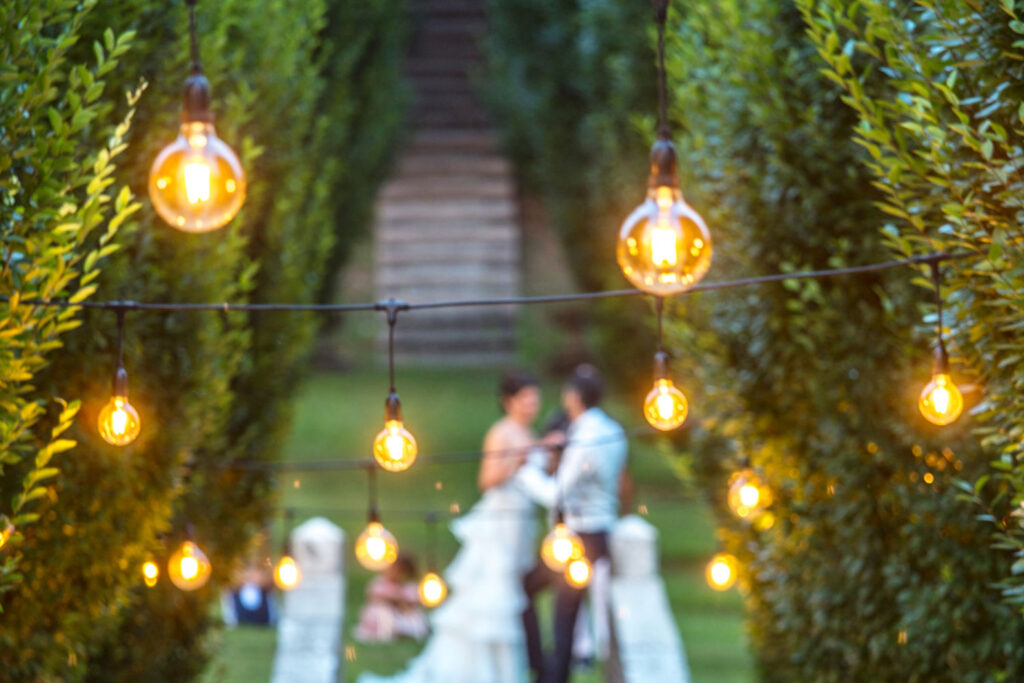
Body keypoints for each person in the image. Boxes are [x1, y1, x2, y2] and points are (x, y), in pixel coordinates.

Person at [357, 371, 553, 683]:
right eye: (526, 397)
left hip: (520, 526)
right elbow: (487, 480)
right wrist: (521, 458)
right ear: (509, 400)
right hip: (498, 526)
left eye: (535, 397)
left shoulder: (528, 434)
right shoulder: (501, 433)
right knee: (492, 596)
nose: (532, 404)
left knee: (512, 597)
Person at [521, 364, 628, 683]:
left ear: (574, 397)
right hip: (602, 532)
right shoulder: (614, 429)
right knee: (565, 608)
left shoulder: (585, 435)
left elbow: (558, 494)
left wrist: (527, 470)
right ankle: (551, 672)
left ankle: (550, 674)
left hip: (577, 537)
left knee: (560, 612)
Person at [354, 555, 429, 643]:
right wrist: (394, 599)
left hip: (402, 615)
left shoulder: (408, 587)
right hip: (382, 618)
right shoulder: (381, 584)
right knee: (383, 613)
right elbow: (373, 594)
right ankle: (389, 633)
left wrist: (403, 603)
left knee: (414, 615)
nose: (393, 573)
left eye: (399, 571)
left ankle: (410, 632)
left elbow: (414, 602)